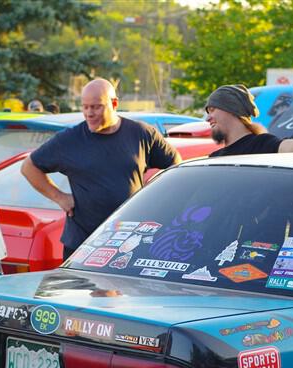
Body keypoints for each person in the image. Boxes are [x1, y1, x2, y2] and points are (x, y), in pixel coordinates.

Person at [21, 78, 180, 258]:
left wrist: (155, 199)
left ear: (114, 104)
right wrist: (60, 197)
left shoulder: (141, 134)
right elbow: (29, 167)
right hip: (83, 244)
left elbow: (176, 167)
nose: (89, 113)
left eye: (96, 107)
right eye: (85, 107)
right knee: (84, 288)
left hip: (129, 243)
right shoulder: (69, 140)